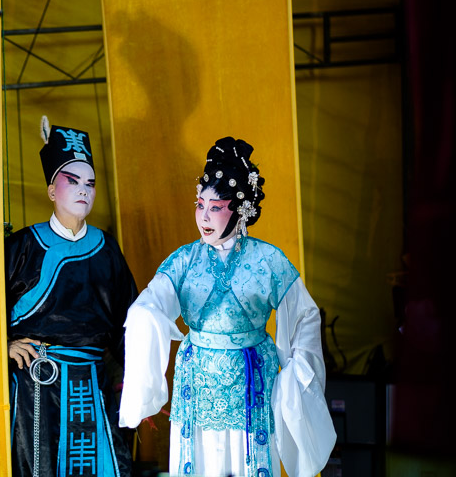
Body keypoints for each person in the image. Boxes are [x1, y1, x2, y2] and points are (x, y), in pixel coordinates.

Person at [118, 137, 336, 477]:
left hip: (251, 381)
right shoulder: (185, 259)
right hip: (198, 379)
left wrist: (296, 368)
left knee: (247, 458)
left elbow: (305, 313)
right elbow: (155, 297)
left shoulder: (268, 259)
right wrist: (144, 313)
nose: (204, 216)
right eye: (199, 204)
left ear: (241, 209)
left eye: (215, 207)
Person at [6, 117, 138, 477]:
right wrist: (2, 344)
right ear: (51, 190)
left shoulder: (107, 249)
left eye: (90, 184)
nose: (83, 190)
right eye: (72, 181)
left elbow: (131, 320)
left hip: (92, 384)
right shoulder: (21, 246)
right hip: (37, 386)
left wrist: (139, 382)